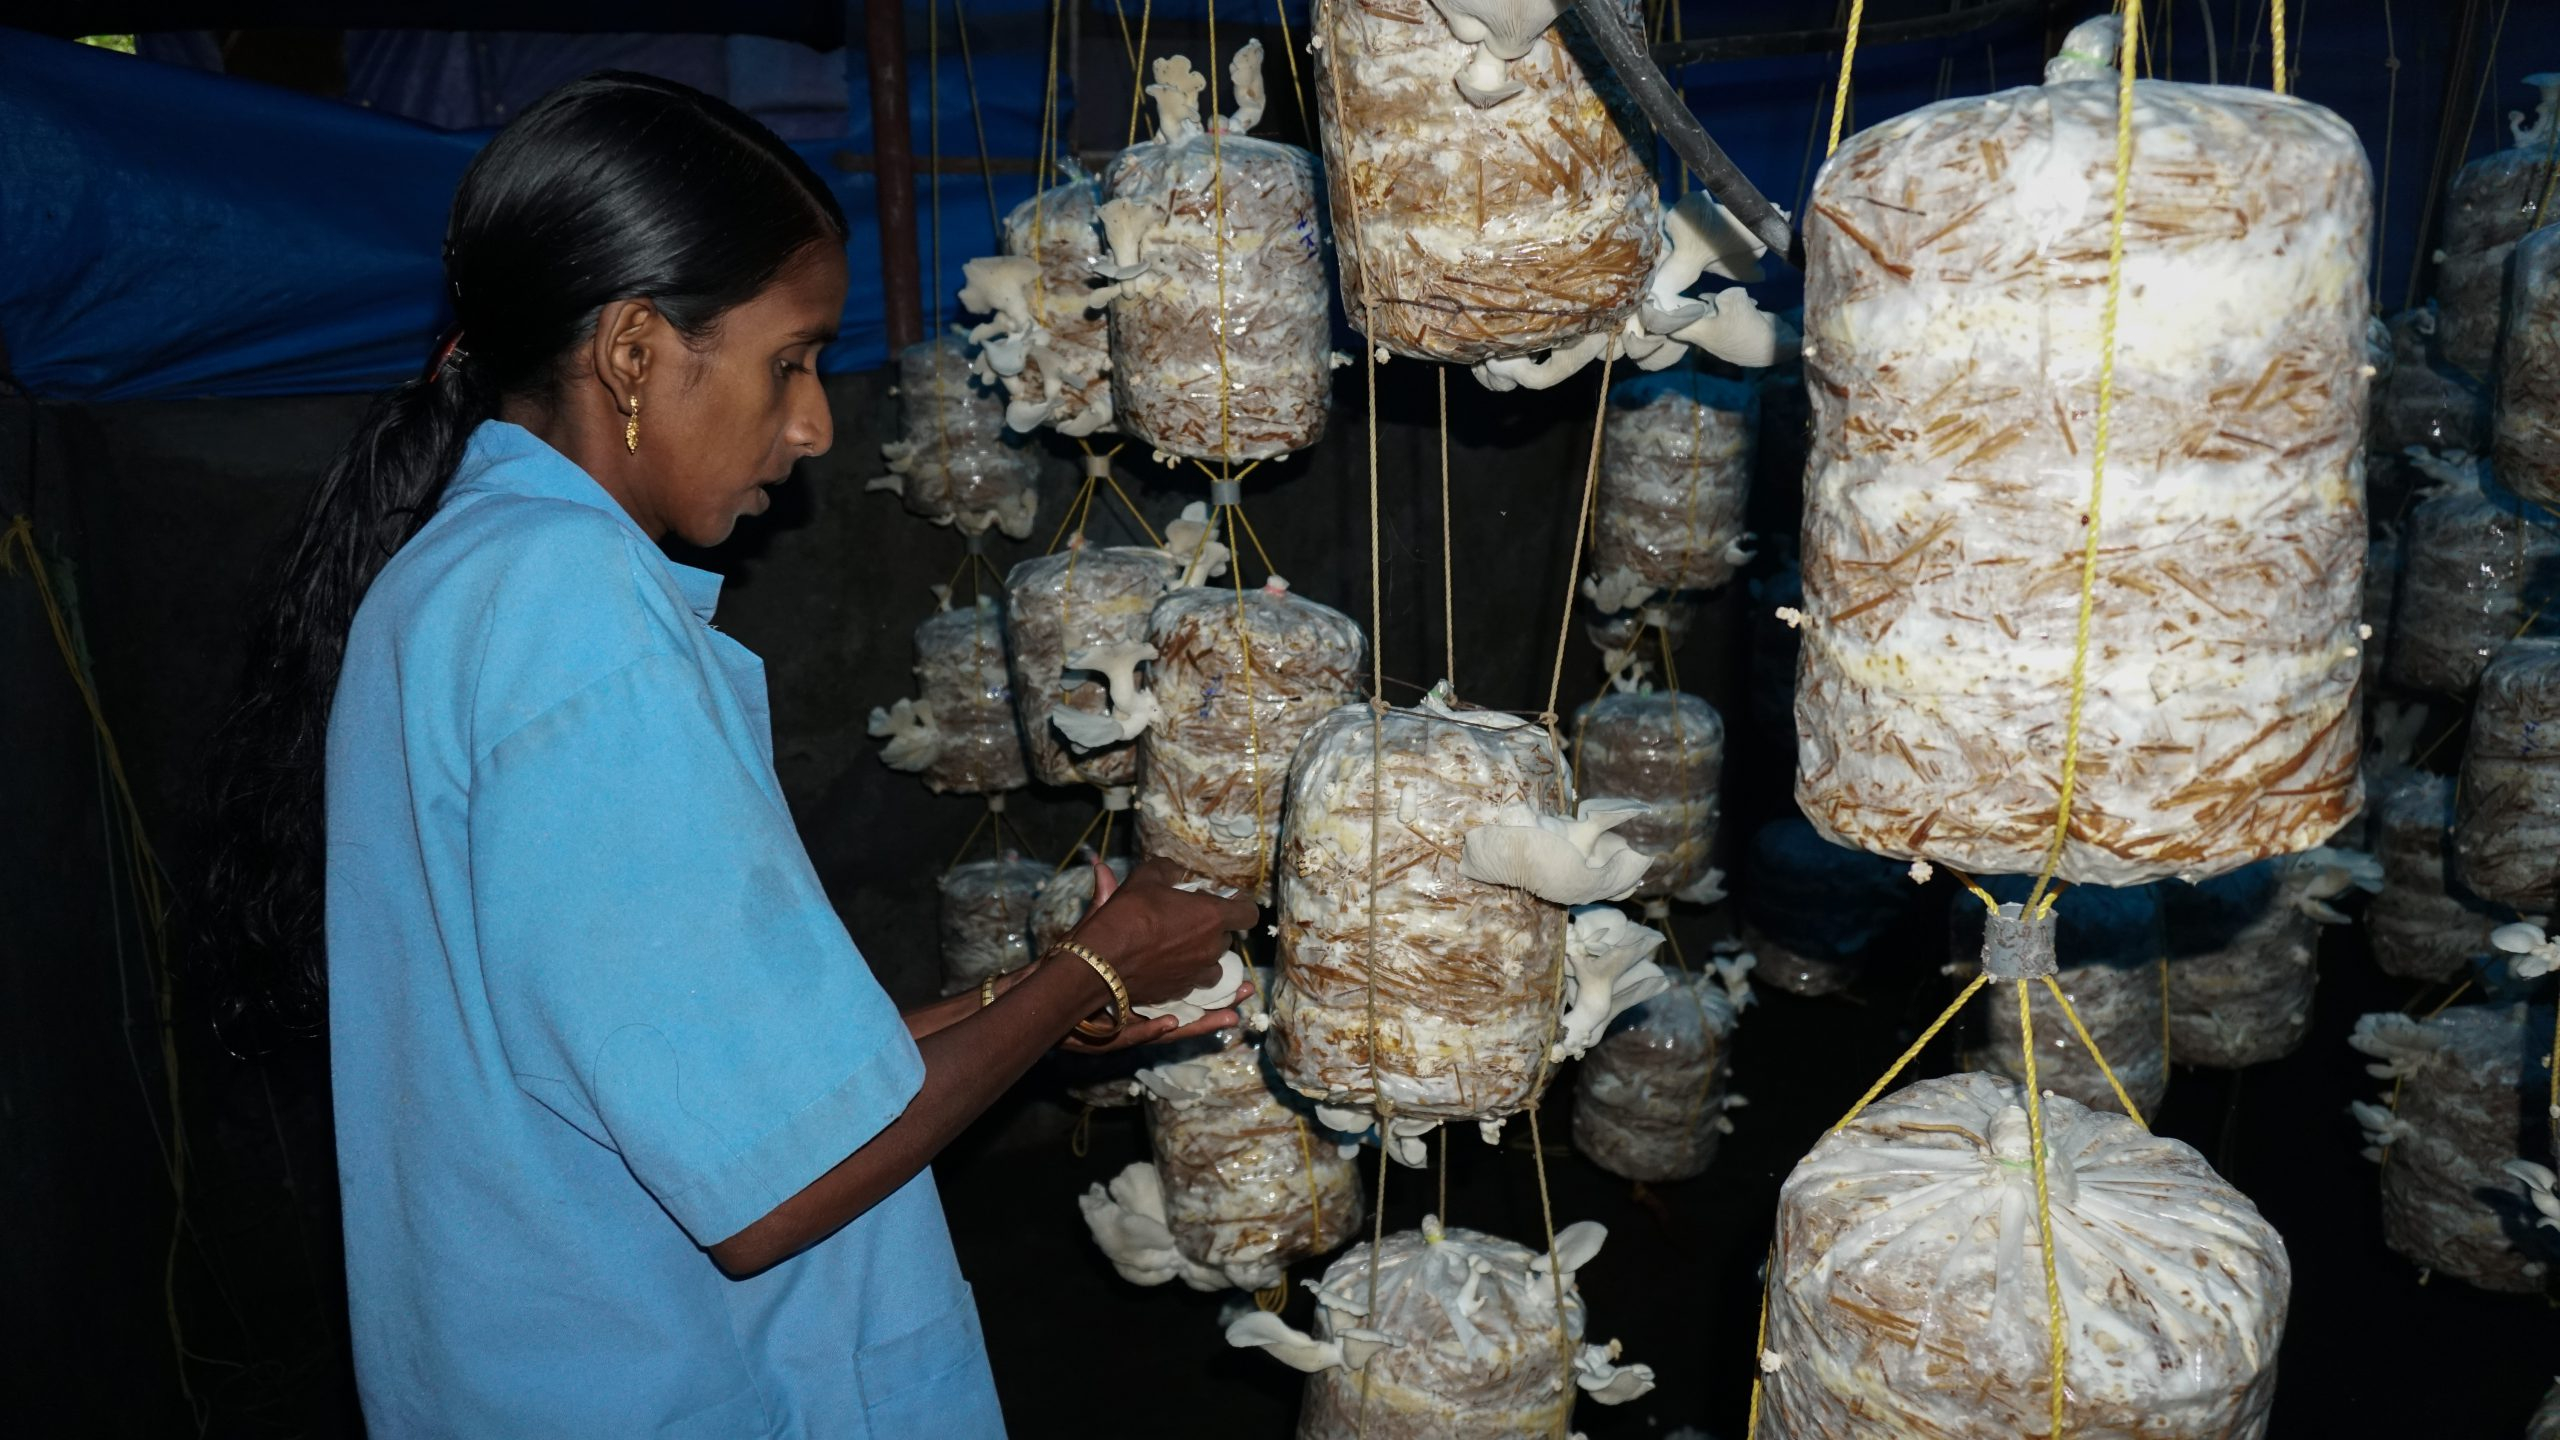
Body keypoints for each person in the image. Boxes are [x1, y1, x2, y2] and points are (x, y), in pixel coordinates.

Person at [195, 72, 1252, 1437]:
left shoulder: (465, 585)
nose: (813, 425)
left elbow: (683, 1083)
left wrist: (1037, 1009)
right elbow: (774, 1191)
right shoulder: (569, 619)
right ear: (636, 352)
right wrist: (1101, 963)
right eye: (791, 359)